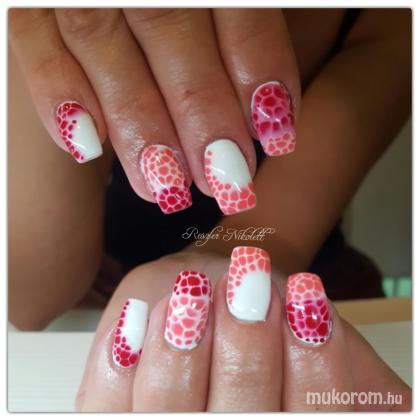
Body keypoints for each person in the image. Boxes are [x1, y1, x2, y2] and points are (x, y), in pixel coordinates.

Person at [8, 8, 411, 411]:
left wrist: (225, 272)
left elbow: (277, 237)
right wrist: (51, 43)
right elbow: (30, 303)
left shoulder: (398, 18)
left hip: (309, 289)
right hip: (90, 310)